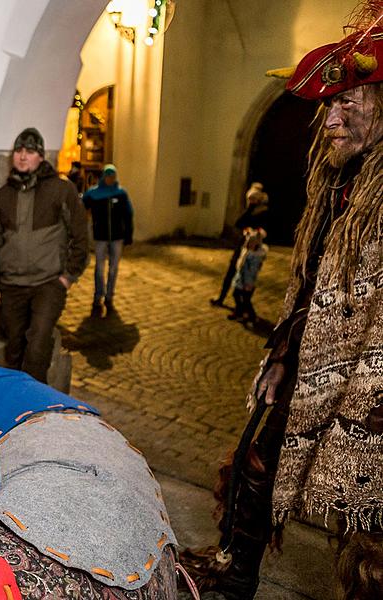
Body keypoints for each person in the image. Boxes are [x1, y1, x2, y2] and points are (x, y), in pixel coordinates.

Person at [181, 16, 383, 599]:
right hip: (311, 359)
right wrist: (281, 354)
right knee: (253, 463)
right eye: (328, 106)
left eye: (348, 103)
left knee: (367, 515)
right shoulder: (334, 180)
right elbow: (310, 277)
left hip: (372, 382)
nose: (332, 119)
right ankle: (234, 570)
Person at [0, 127, 88, 383]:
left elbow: (81, 235)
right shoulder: (1, 198)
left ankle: (35, 404)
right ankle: (17, 401)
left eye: (29, 151)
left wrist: (68, 276)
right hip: (12, 285)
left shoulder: (61, 191)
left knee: (38, 342)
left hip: (48, 284)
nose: (22, 156)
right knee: (14, 347)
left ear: (41, 156)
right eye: (18, 151)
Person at [82, 163, 133, 316]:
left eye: (113, 176)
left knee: (113, 269)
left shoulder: (121, 194)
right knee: (99, 269)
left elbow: (128, 214)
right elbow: (81, 208)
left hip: (117, 237)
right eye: (108, 175)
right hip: (101, 237)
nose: (110, 178)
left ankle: (109, 297)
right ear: (104, 177)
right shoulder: (93, 194)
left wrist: (128, 234)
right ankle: (98, 297)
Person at [211, 182, 270, 307]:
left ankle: (244, 308)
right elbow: (238, 223)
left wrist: (254, 232)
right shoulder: (250, 211)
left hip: (253, 249)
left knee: (246, 278)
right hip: (242, 245)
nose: (250, 201)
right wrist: (249, 209)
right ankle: (222, 298)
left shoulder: (263, 212)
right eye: (249, 199)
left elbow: (264, 231)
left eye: (253, 199)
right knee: (231, 271)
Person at [227, 228, 268, 325]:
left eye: (251, 242)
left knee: (245, 300)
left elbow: (252, 271)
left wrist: (248, 283)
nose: (249, 244)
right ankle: (240, 313)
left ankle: (251, 316)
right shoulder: (248, 252)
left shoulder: (255, 256)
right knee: (237, 295)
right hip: (241, 279)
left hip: (247, 282)